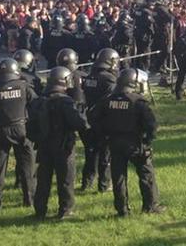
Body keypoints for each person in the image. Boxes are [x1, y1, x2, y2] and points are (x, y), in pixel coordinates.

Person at [90, 68, 166, 216]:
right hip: (136, 143)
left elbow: (93, 117)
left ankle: (122, 209)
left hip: (114, 142)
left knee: (118, 176)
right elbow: (151, 124)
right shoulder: (138, 102)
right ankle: (150, 206)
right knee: (146, 174)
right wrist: (148, 140)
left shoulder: (108, 99)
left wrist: (104, 135)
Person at [0, 59, 36, 211]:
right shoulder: (25, 87)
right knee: (27, 167)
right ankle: (29, 199)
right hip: (22, 130)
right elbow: (37, 107)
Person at [30, 66, 88, 221]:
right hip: (63, 145)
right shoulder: (65, 101)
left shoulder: (39, 101)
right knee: (65, 180)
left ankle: (40, 210)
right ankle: (65, 210)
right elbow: (81, 123)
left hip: (43, 145)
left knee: (43, 180)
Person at [80, 48, 119, 193]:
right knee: (105, 154)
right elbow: (110, 99)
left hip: (90, 117)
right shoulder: (109, 79)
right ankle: (104, 184)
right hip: (104, 119)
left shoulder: (90, 77)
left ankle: (87, 182)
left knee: (91, 152)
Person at [132, 1, 154, 70]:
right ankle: (145, 68)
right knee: (146, 52)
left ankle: (138, 66)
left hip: (137, 34)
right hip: (145, 35)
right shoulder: (147, 12)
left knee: (139, 51)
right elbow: (150, 24)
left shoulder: (138, 11)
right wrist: (152, 33)